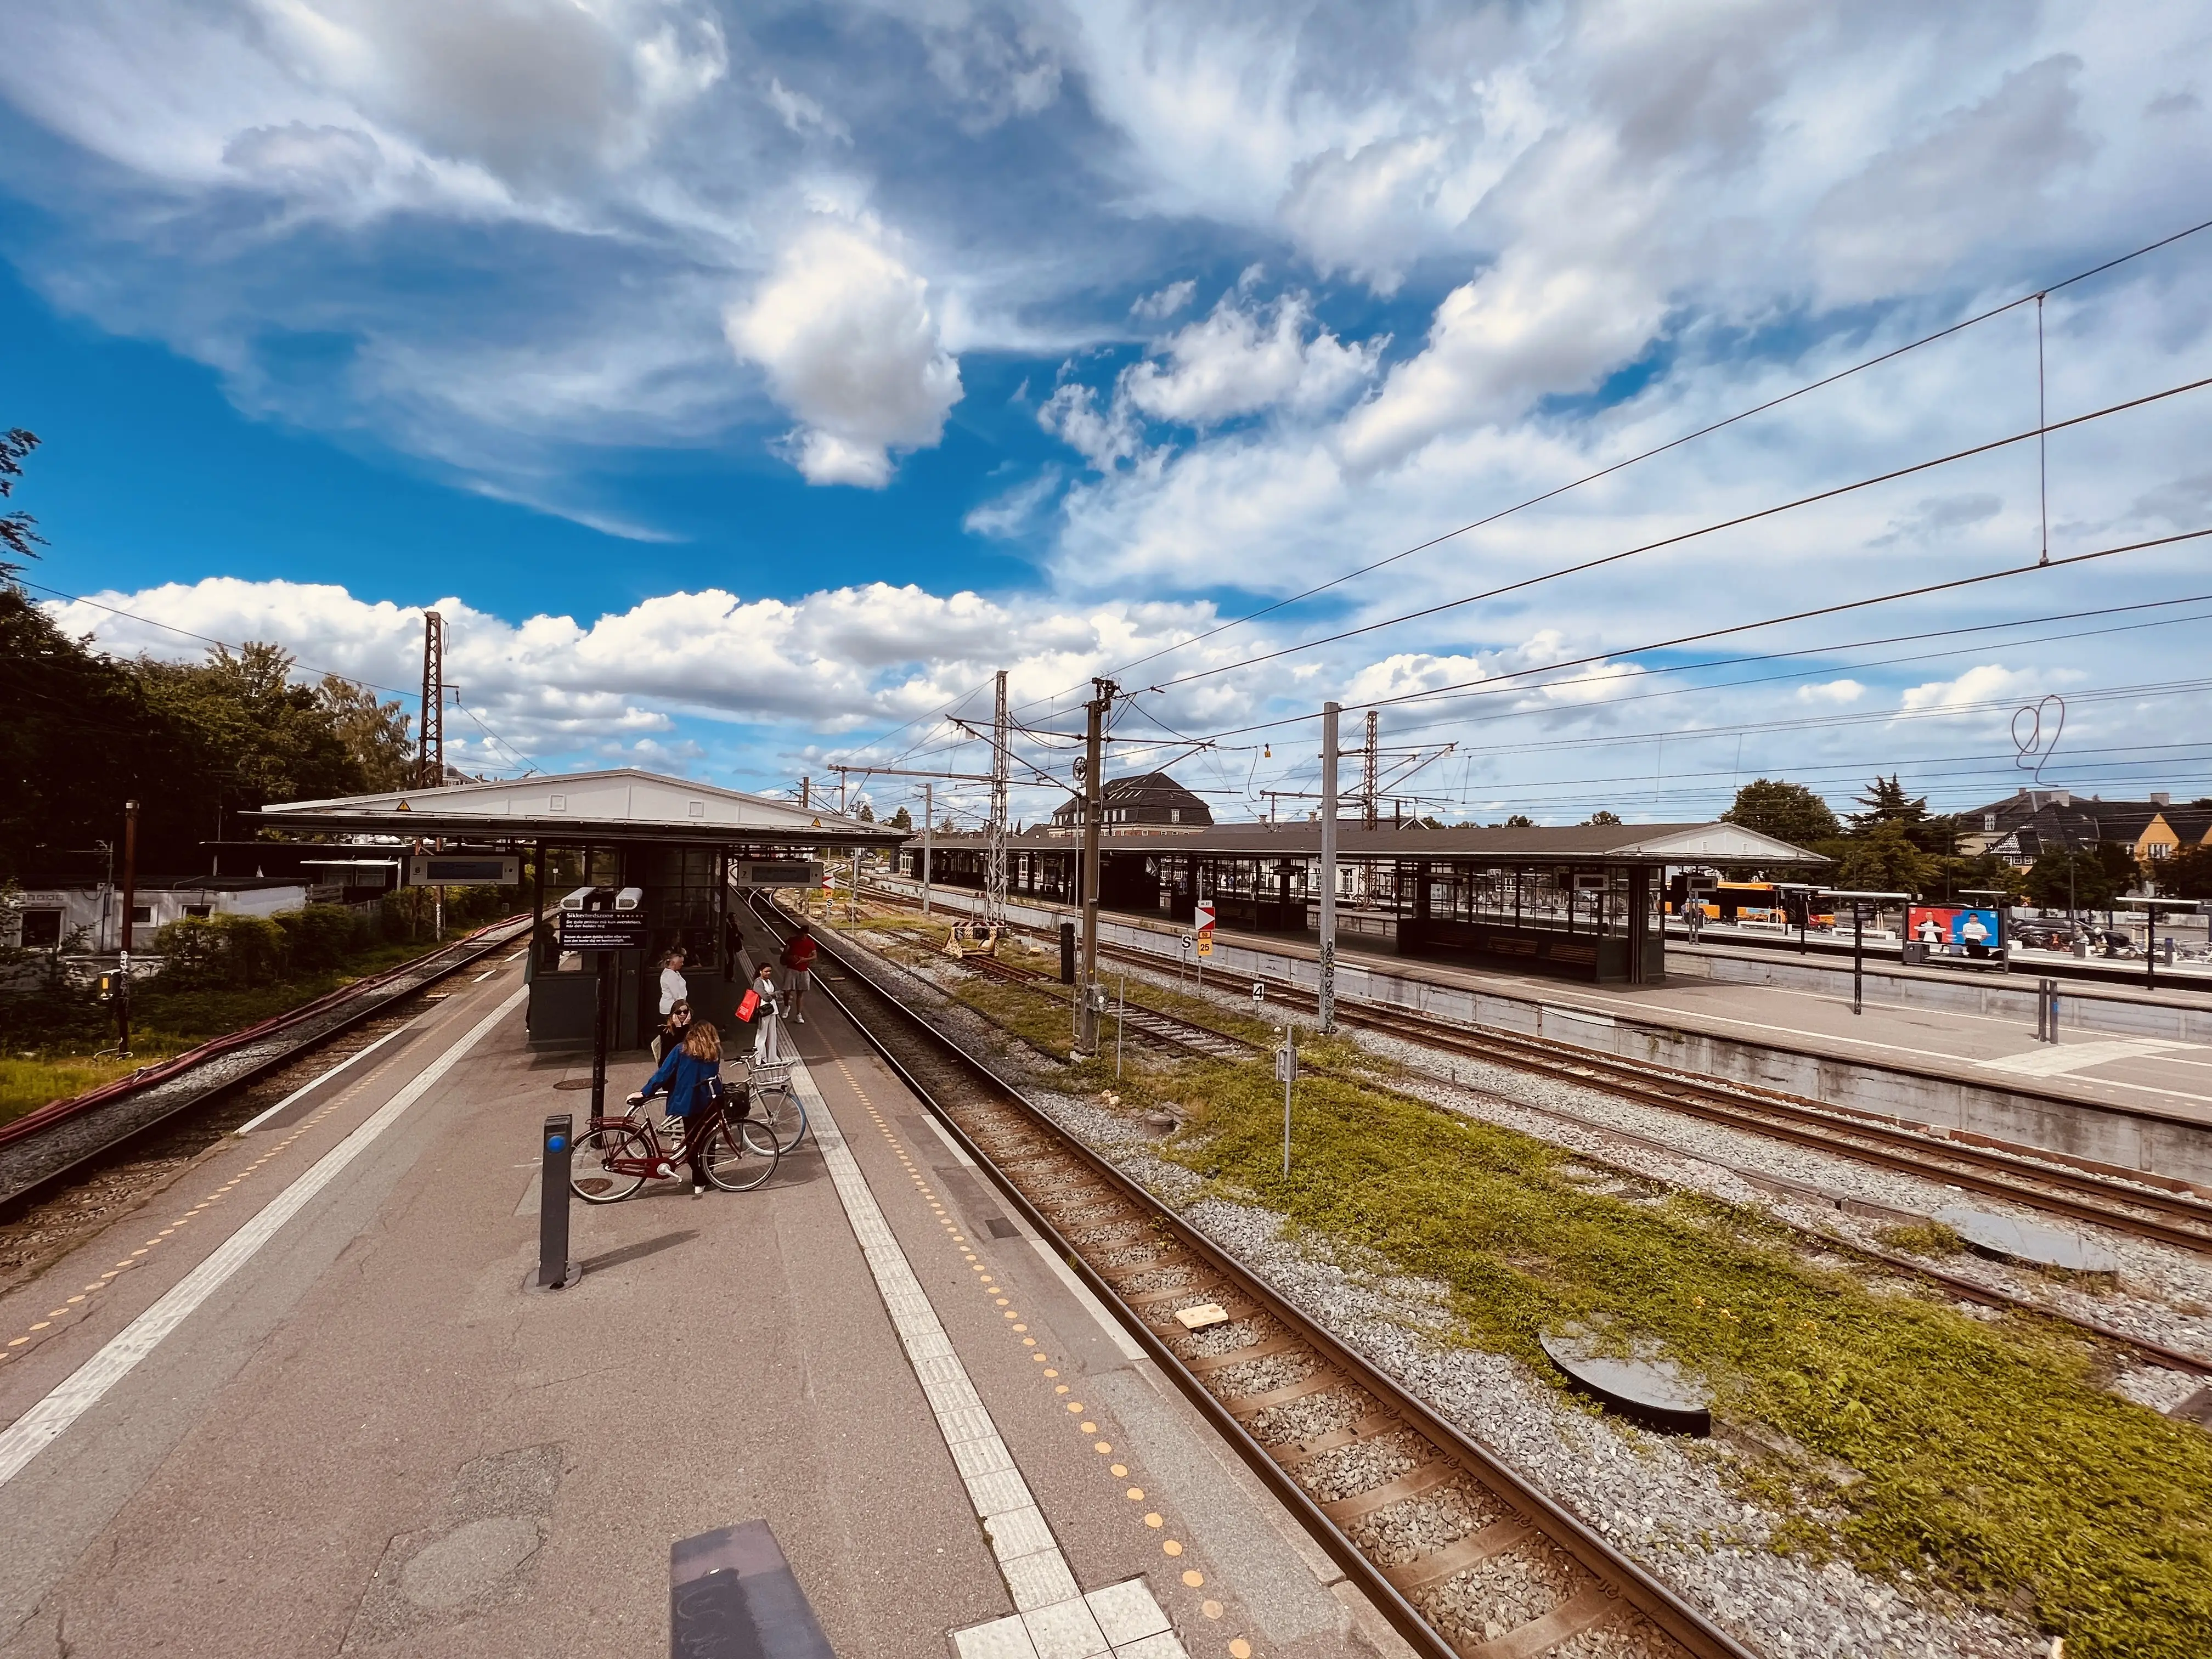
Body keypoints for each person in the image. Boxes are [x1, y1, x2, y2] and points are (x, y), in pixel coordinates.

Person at [629, 1020, 723, 1197]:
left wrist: (645, 1092)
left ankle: (698, 1180)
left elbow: (664, 1074)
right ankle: (708, 1176)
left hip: (688, 1103)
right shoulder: (714, 1053)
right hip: (709, 1102)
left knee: (692, 1142)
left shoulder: (682, 1049)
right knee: (708, 1141)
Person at [780, 925, 817, 1024]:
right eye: (803, 934)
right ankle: (787, 1006)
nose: (804, 936)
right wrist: (791, 957)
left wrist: (805, 959)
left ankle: (798, 1014)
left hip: (803, 970)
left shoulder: (810, 943)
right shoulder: (791, 941)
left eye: (806, 934)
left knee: (800, 993)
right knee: (787, 991)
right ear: (799, 933)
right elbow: (785, 954)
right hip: (791, 969)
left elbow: (815, 956)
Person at [749, 964, 782, 1065]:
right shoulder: (758, 982)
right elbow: (765, 997)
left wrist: (772, 994)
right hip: (764, 1010)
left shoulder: (768, 981)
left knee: (772, 1034)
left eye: (770, 971)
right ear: (760, 971)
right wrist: (774, 994)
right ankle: (759, 1058)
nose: (769, 973)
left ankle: (772, 1058)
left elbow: (769, 995)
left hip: (772, 1010)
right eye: (766, 971)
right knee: (761, 1035)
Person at [651, 998, 693, 1063]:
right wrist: (679, 1026)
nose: (682, 1015)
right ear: (674, 1014)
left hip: (685, 1061)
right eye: (679, 1012)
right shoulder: (665, 1029)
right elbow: (676, 1048)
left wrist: (685, 1026)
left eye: (685, 1012)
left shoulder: (691, 1028)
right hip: (670, 1063)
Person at [658, 949, 690, 1025]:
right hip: (672, 1007)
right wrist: (682, 1006)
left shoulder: (675, 973)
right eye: (680, 962)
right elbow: (676, 993)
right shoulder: (670, 975)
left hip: (677, 1006)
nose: (682, 964)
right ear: (673, 963)